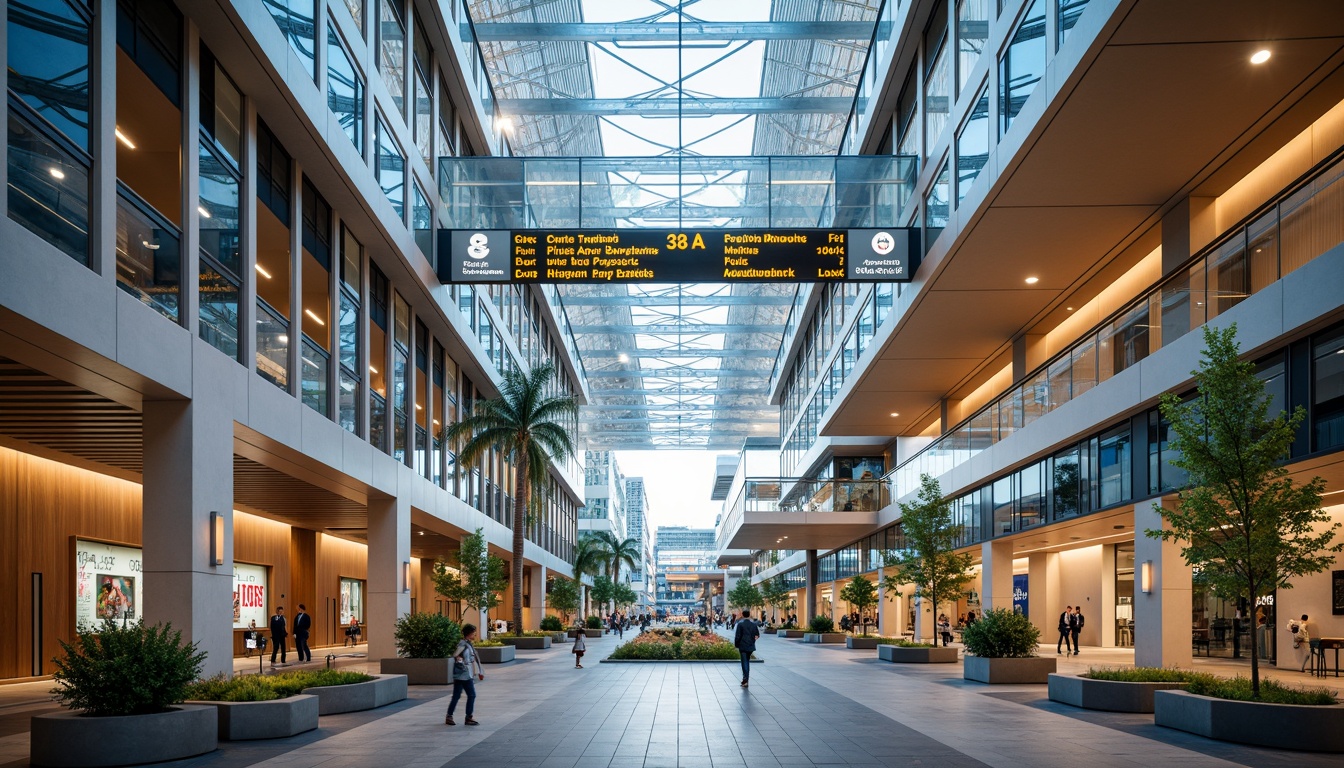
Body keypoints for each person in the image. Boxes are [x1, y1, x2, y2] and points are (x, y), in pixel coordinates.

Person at [445, 623, 484, 726]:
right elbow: (456, 654)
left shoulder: (467, 643)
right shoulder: (463, 644)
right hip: (465, 674)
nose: (475, 634)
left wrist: (479, 671)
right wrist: (459, 659)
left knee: (456, 696)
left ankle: (449, 716)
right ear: (469, 633)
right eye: (474, 632)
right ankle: (468, 717)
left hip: (464, 674)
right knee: (471, 695)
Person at [734, 608, 761, 688]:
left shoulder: (740, 624)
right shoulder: (753, 625)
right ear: (749, 615)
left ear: (742, 615)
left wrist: (736, 644)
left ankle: (745, 680)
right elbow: (757, 635)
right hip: (750, 646)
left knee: (744, 662)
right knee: (747, 662)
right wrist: (753, 640)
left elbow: (738, 636)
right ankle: (745, 679)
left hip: (743, 645)